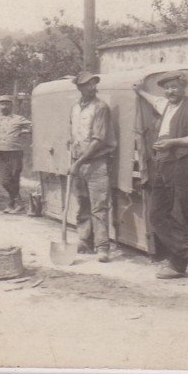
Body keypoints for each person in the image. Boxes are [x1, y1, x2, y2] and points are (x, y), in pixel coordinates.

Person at [133, 71, 188, 280]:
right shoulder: (165, 105)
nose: (170, 91)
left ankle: (178, 266)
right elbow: (154, 99)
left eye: (174, 87)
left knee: (180, 215)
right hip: (163, 166)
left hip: (184, 165)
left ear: (183, 88)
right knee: (157, 215)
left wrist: (172, 142)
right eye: (167, 88)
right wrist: (140, 91)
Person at [69, 71, 116, 263]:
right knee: (83, 204)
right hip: (78, 162)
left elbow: (98, 140)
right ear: (79, 87)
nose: (92, 87)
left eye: (94, 83)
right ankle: (84, 240)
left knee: (99, 206)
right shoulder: (74, 108)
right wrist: (72, 152)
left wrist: (79, 162)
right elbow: (72, 131)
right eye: (88, 84)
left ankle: (103, 247)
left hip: (97, 163)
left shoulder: (101, 108)